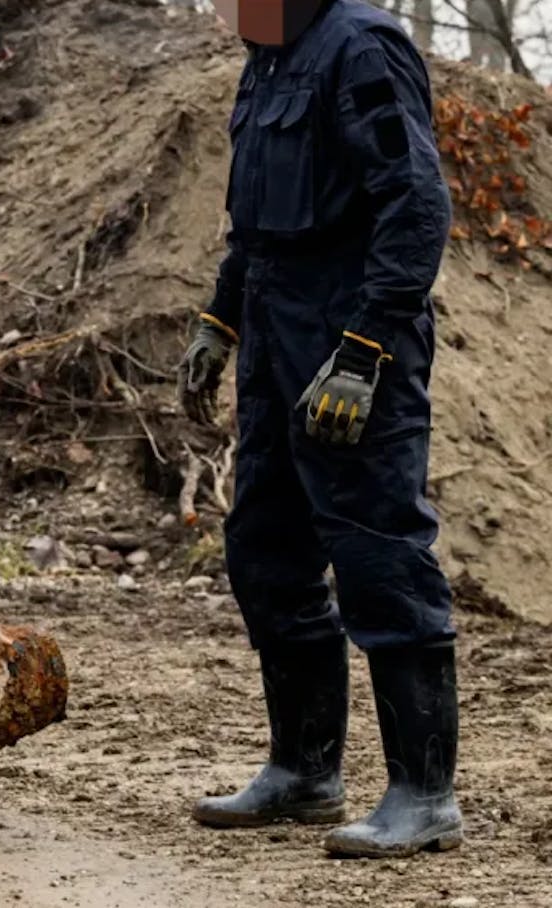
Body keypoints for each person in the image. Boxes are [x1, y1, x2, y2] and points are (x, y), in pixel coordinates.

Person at [177, 0, 460, 859]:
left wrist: (367, 346)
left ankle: (424, 795)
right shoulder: (266, 58)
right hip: (274, 335)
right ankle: (303, 772)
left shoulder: (362, 46)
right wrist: (220, 322)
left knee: (379, 552)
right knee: (266, 550)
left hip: (350, 339)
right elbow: (254, 223)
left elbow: (415, 204)